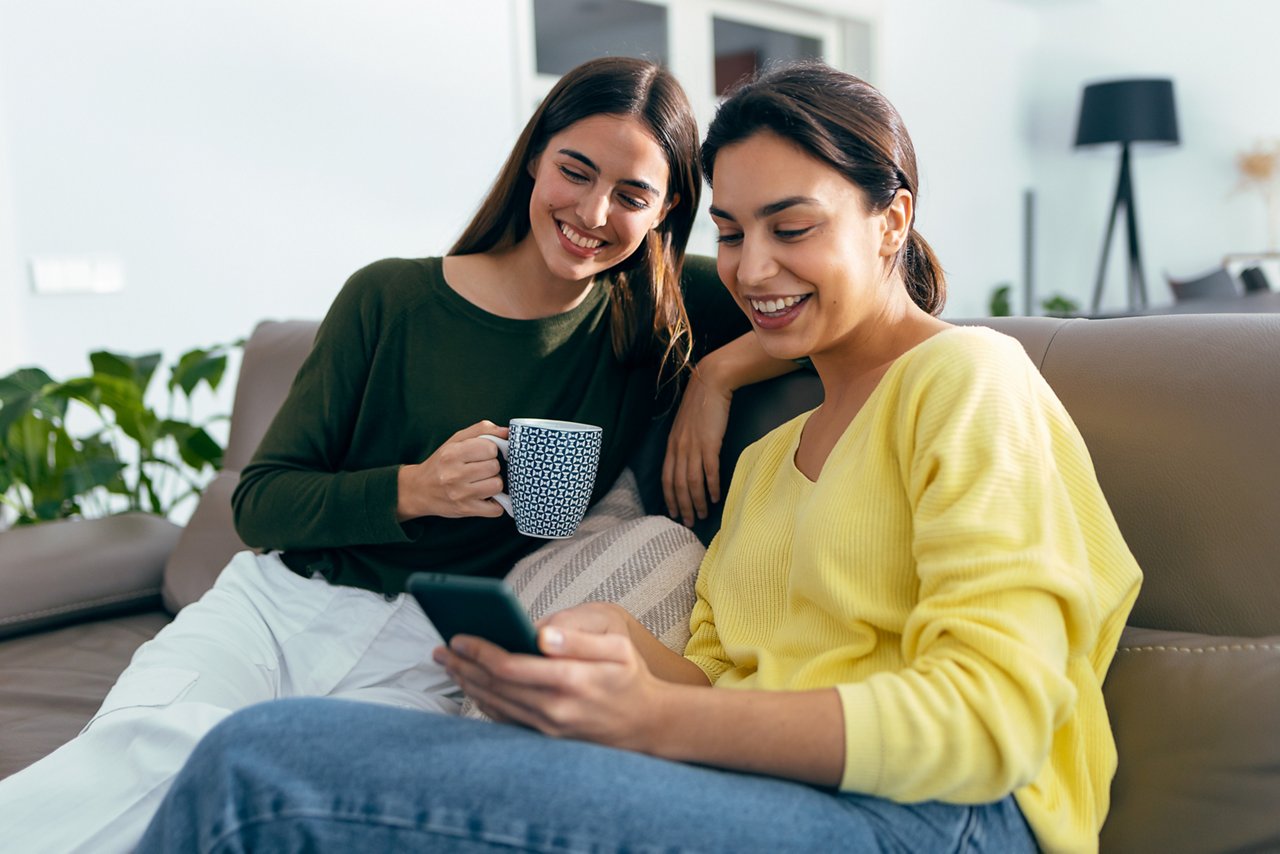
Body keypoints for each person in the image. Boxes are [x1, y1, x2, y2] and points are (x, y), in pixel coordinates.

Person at [137, 62, 1143, 854]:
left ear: (890, 219)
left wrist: (654, 717)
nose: (751, 270)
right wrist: (609, 659)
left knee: (258, 768)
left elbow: (990, 718)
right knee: (292, 745)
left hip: (936, 815)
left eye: (791, 227)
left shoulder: (968, 379)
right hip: (771, 789)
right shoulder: (769, 458)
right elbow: (717, 677)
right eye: (733, 232)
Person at [0, 57, 794, 853]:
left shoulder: (656, 315)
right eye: (575, 171)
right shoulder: (390, 298)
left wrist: (716, 376)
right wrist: (416, 488)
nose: (593, 212)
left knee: (309, 813)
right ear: (533, 157)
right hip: (276, 612)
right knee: (152, 758)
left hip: (430, 655)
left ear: (666, 212)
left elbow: (856, 296)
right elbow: (262, 501)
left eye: (632, 195)